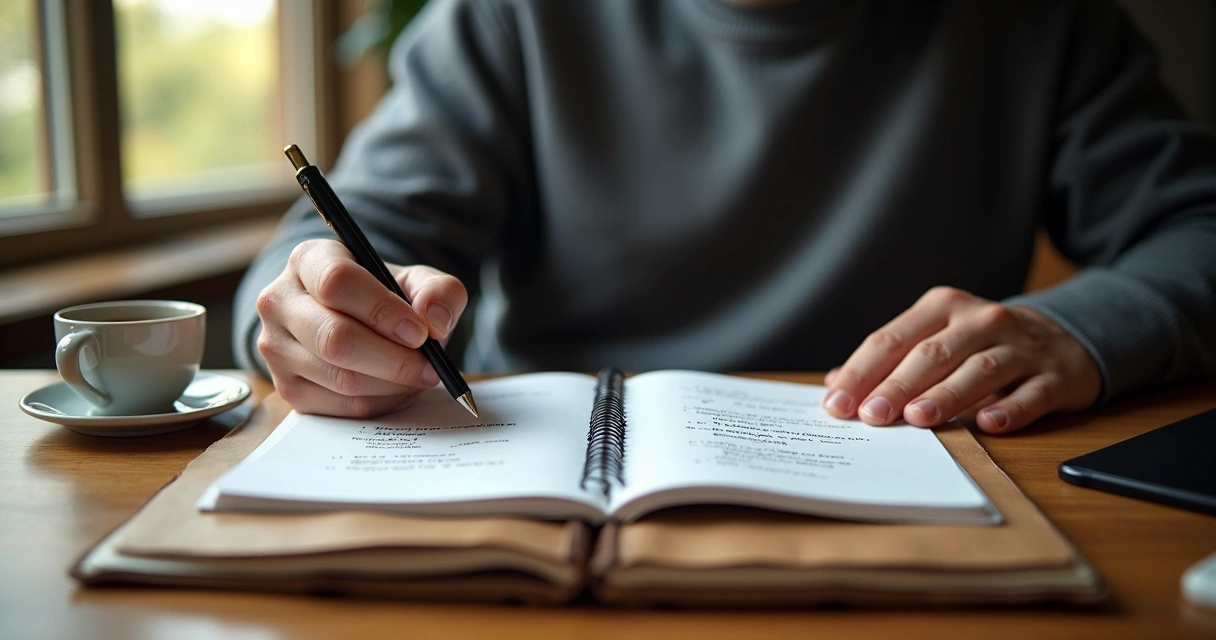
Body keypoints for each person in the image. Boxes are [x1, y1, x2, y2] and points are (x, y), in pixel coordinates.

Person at [234, 0, 1216, 434]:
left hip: (928, 478)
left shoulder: (1039, 21)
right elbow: (324, 256)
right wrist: (320, 316)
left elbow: (1195, 226)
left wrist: (1079, 329)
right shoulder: (508, 14)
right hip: (546, 507)